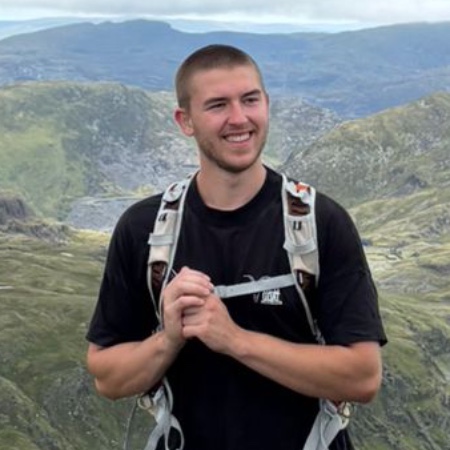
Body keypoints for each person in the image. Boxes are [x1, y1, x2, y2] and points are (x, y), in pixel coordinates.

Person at [86, 44, 387, 450]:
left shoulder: (322, 223)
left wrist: (234, 339)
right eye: (217, 105)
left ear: (267, 104)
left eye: (250, 100)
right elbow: (107, 378)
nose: (239, 118)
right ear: (185, 121)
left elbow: (363, 377)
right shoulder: (143, 229)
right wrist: (169, 339)